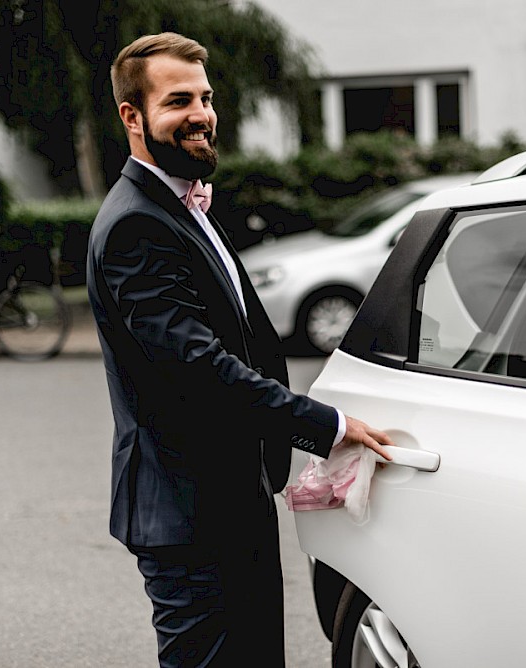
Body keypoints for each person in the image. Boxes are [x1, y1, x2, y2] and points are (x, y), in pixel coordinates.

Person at [87, 32, 394, 666]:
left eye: (205, 97)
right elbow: (200, 368)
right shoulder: (135, 225)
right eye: (178, 101)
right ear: (132, 117)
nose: (201, 114)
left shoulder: (183, 203)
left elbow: (244, 341)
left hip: (229, 499)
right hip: (188, 516)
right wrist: (326, 426)